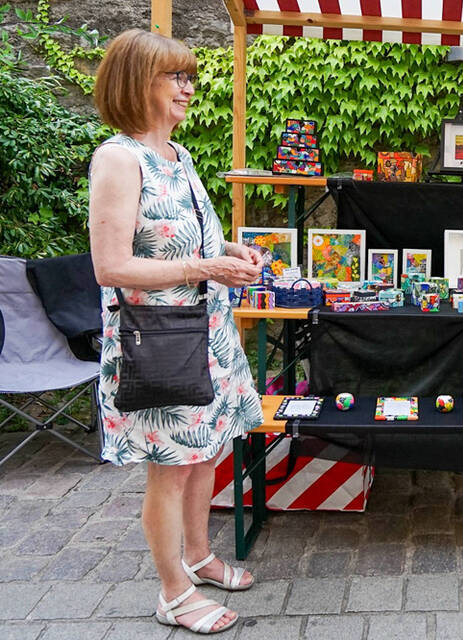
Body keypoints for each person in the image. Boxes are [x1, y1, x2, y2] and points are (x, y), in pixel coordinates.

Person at [89, 29, 264, 633]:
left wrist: (230, 252)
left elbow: (188, 240)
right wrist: (203, 267)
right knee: (171, 463)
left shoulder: (179, 157)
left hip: (206, 330)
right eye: (175, 78)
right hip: (159, 339)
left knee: (207, 450)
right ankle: (173, 592)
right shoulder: (118, 158)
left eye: (190, 77)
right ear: (139, 84)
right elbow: (110, 266)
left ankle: (199, 556)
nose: (189, 89)